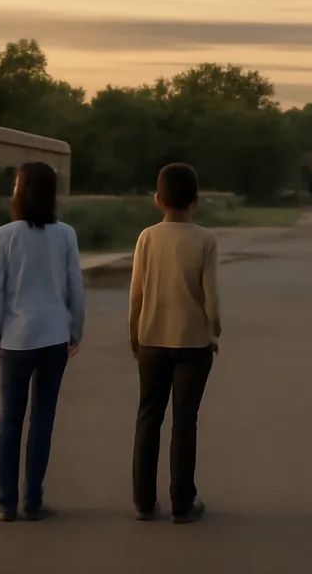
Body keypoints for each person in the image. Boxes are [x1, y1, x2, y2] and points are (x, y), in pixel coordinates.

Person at [0, 161, 85, 522]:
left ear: (21, 190)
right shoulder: (66, 235)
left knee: (11, 417)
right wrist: (77, 330)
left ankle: (5, 501)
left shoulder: (3, 236)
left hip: (16, 339)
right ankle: (34, 499)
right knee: (42, 420)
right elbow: (76, 288)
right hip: (54, 337)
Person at [130, 163, 220, 524]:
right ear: (196, 200)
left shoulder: (147, 238)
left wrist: (133, 333)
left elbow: (136, 292)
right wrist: (214, 330)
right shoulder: (205, 240)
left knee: (149, 415)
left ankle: (143, 500)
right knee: (185, 419)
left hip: (151, 337)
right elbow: (211, 299)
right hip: (193, 341)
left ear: (158, 200)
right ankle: (183, 500)